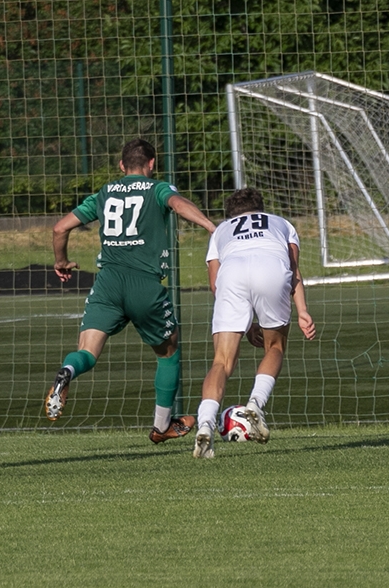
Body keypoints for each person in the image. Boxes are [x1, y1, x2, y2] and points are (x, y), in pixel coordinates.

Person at [47, 138, 217, 444]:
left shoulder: (103, 193)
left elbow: (60, 228)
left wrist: (61, 261)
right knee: (168, 351)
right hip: (144, 284)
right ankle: (161, 425)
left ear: (121, 165)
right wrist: (209, 226)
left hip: (107, 282)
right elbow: (177, 205)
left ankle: (68, 371)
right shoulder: (157, 189)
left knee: (87, 350)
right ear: (152, 163)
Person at [193, 188, 315, 459]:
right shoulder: (282, 223)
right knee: (274, 347)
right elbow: (293, 270)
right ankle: (256, 405)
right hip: (270, 268)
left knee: (221, 362)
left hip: (232, 272)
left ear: (231, 214)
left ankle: (205, 424)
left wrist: (245, 323)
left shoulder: (222, 230)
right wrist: (303, 311)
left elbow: (215, 284)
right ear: (261, 208)